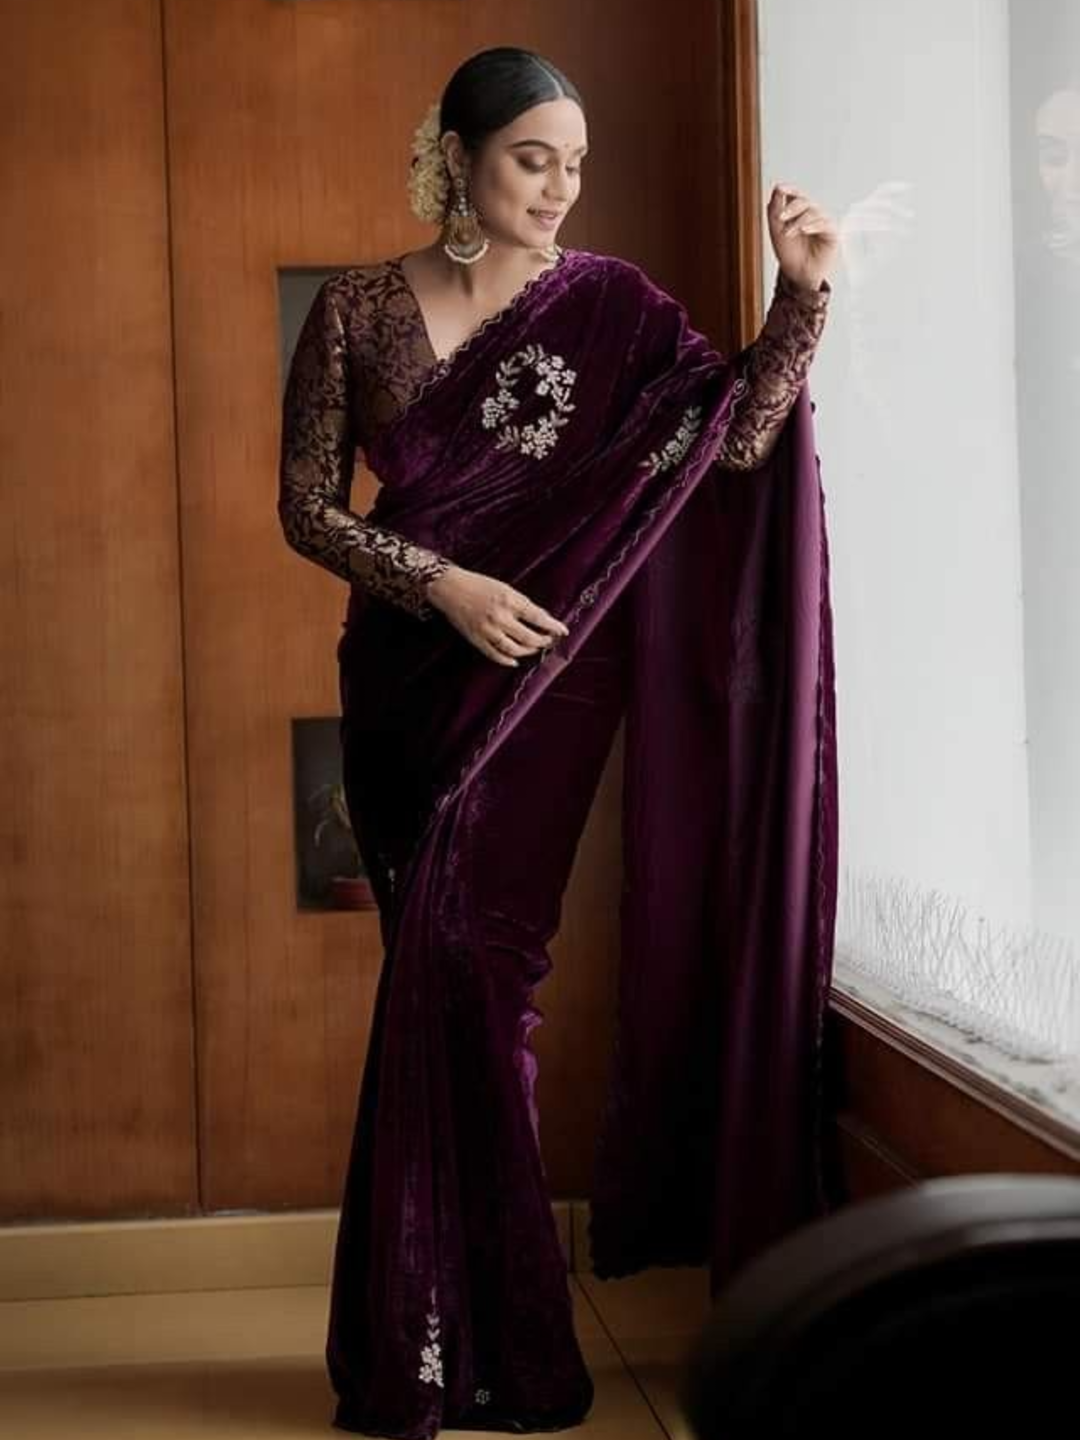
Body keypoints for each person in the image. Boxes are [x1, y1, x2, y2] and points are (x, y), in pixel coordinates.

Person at [278, 45, 839, 1440]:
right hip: (406, 678)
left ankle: (497, 1346)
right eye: (533, 159)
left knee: (489, 980)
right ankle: (433, 1343)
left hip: (545, 685)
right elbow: (305, 508)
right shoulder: (358, 308)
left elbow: (734, 445)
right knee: (431, 981)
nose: (558, 189)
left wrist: (802, 297)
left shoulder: (614, 308)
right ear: (456, 156)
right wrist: (439, 584)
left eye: (574, 166)